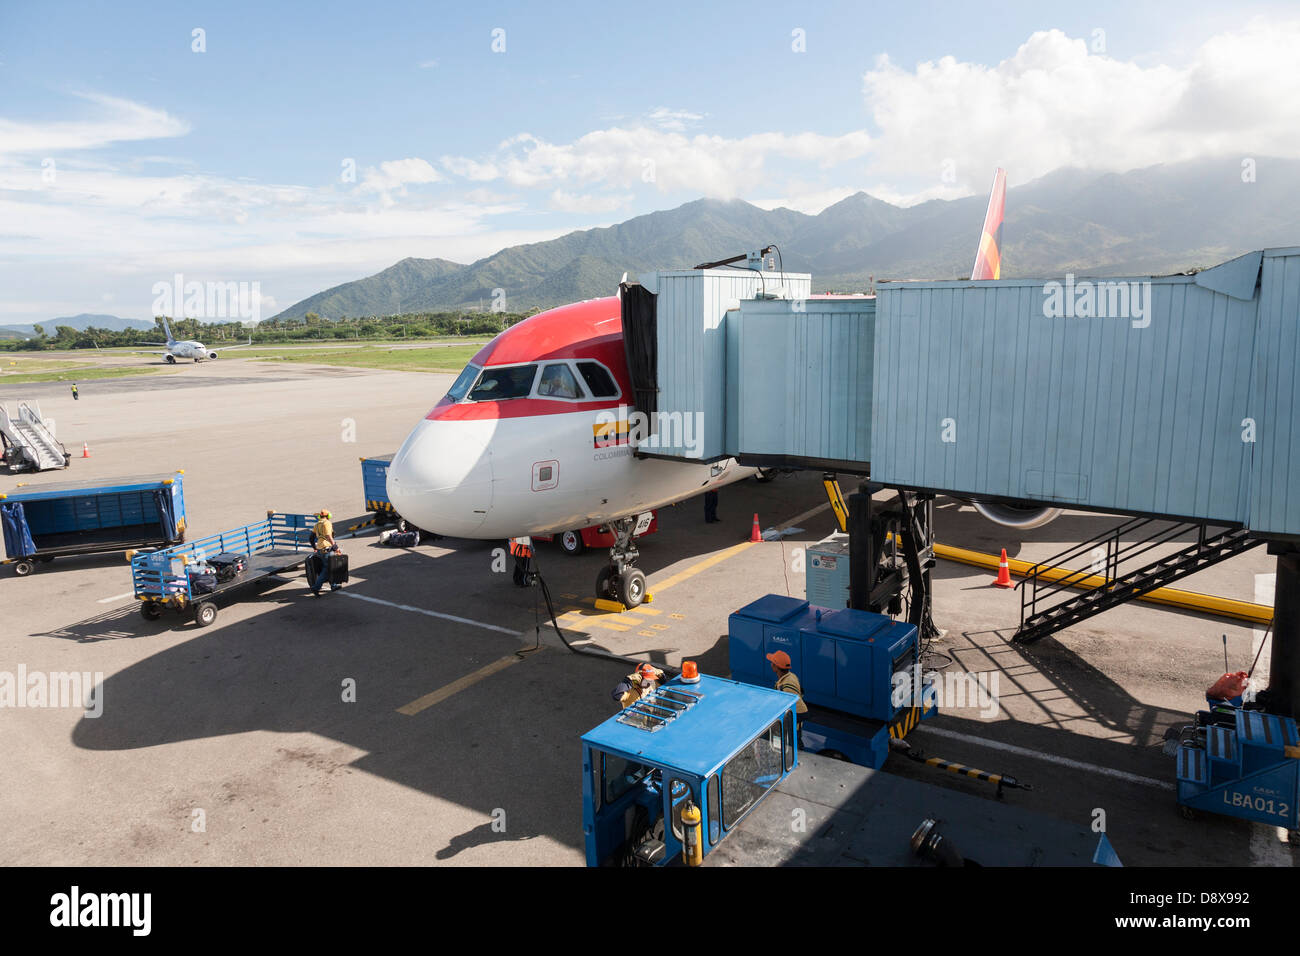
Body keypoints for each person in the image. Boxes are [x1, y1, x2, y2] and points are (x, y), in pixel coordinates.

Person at [309, 508, 341, 595]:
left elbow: (311, 538)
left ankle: (333, 585)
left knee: (329, 567)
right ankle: (316, 587)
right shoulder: (327, 523)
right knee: (327, 569)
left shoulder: (317, 524)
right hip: (327, 549)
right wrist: (335, 547)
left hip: (320, 549)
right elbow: (328, 536)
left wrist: (314, 548)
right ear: (328, 516)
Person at [767, 651, 808, 716]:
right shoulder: (791, 675)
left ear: (776, 667)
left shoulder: (786, 688)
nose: (771, 664)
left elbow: (803, 712)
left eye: (772, 663)